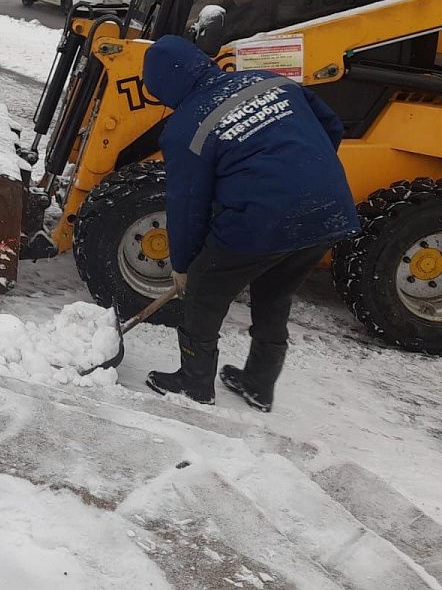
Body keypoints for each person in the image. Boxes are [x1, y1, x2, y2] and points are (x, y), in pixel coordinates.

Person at [141, 36, 358, 411]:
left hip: (261, 218)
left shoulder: (185, 128)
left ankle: (194, 385)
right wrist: (302, 180)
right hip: (330, 209)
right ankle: (259, 385)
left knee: (205, 295)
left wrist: (183, 265)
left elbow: (188, 205)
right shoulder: (270, 81)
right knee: (275, 293)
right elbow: (331, 127)